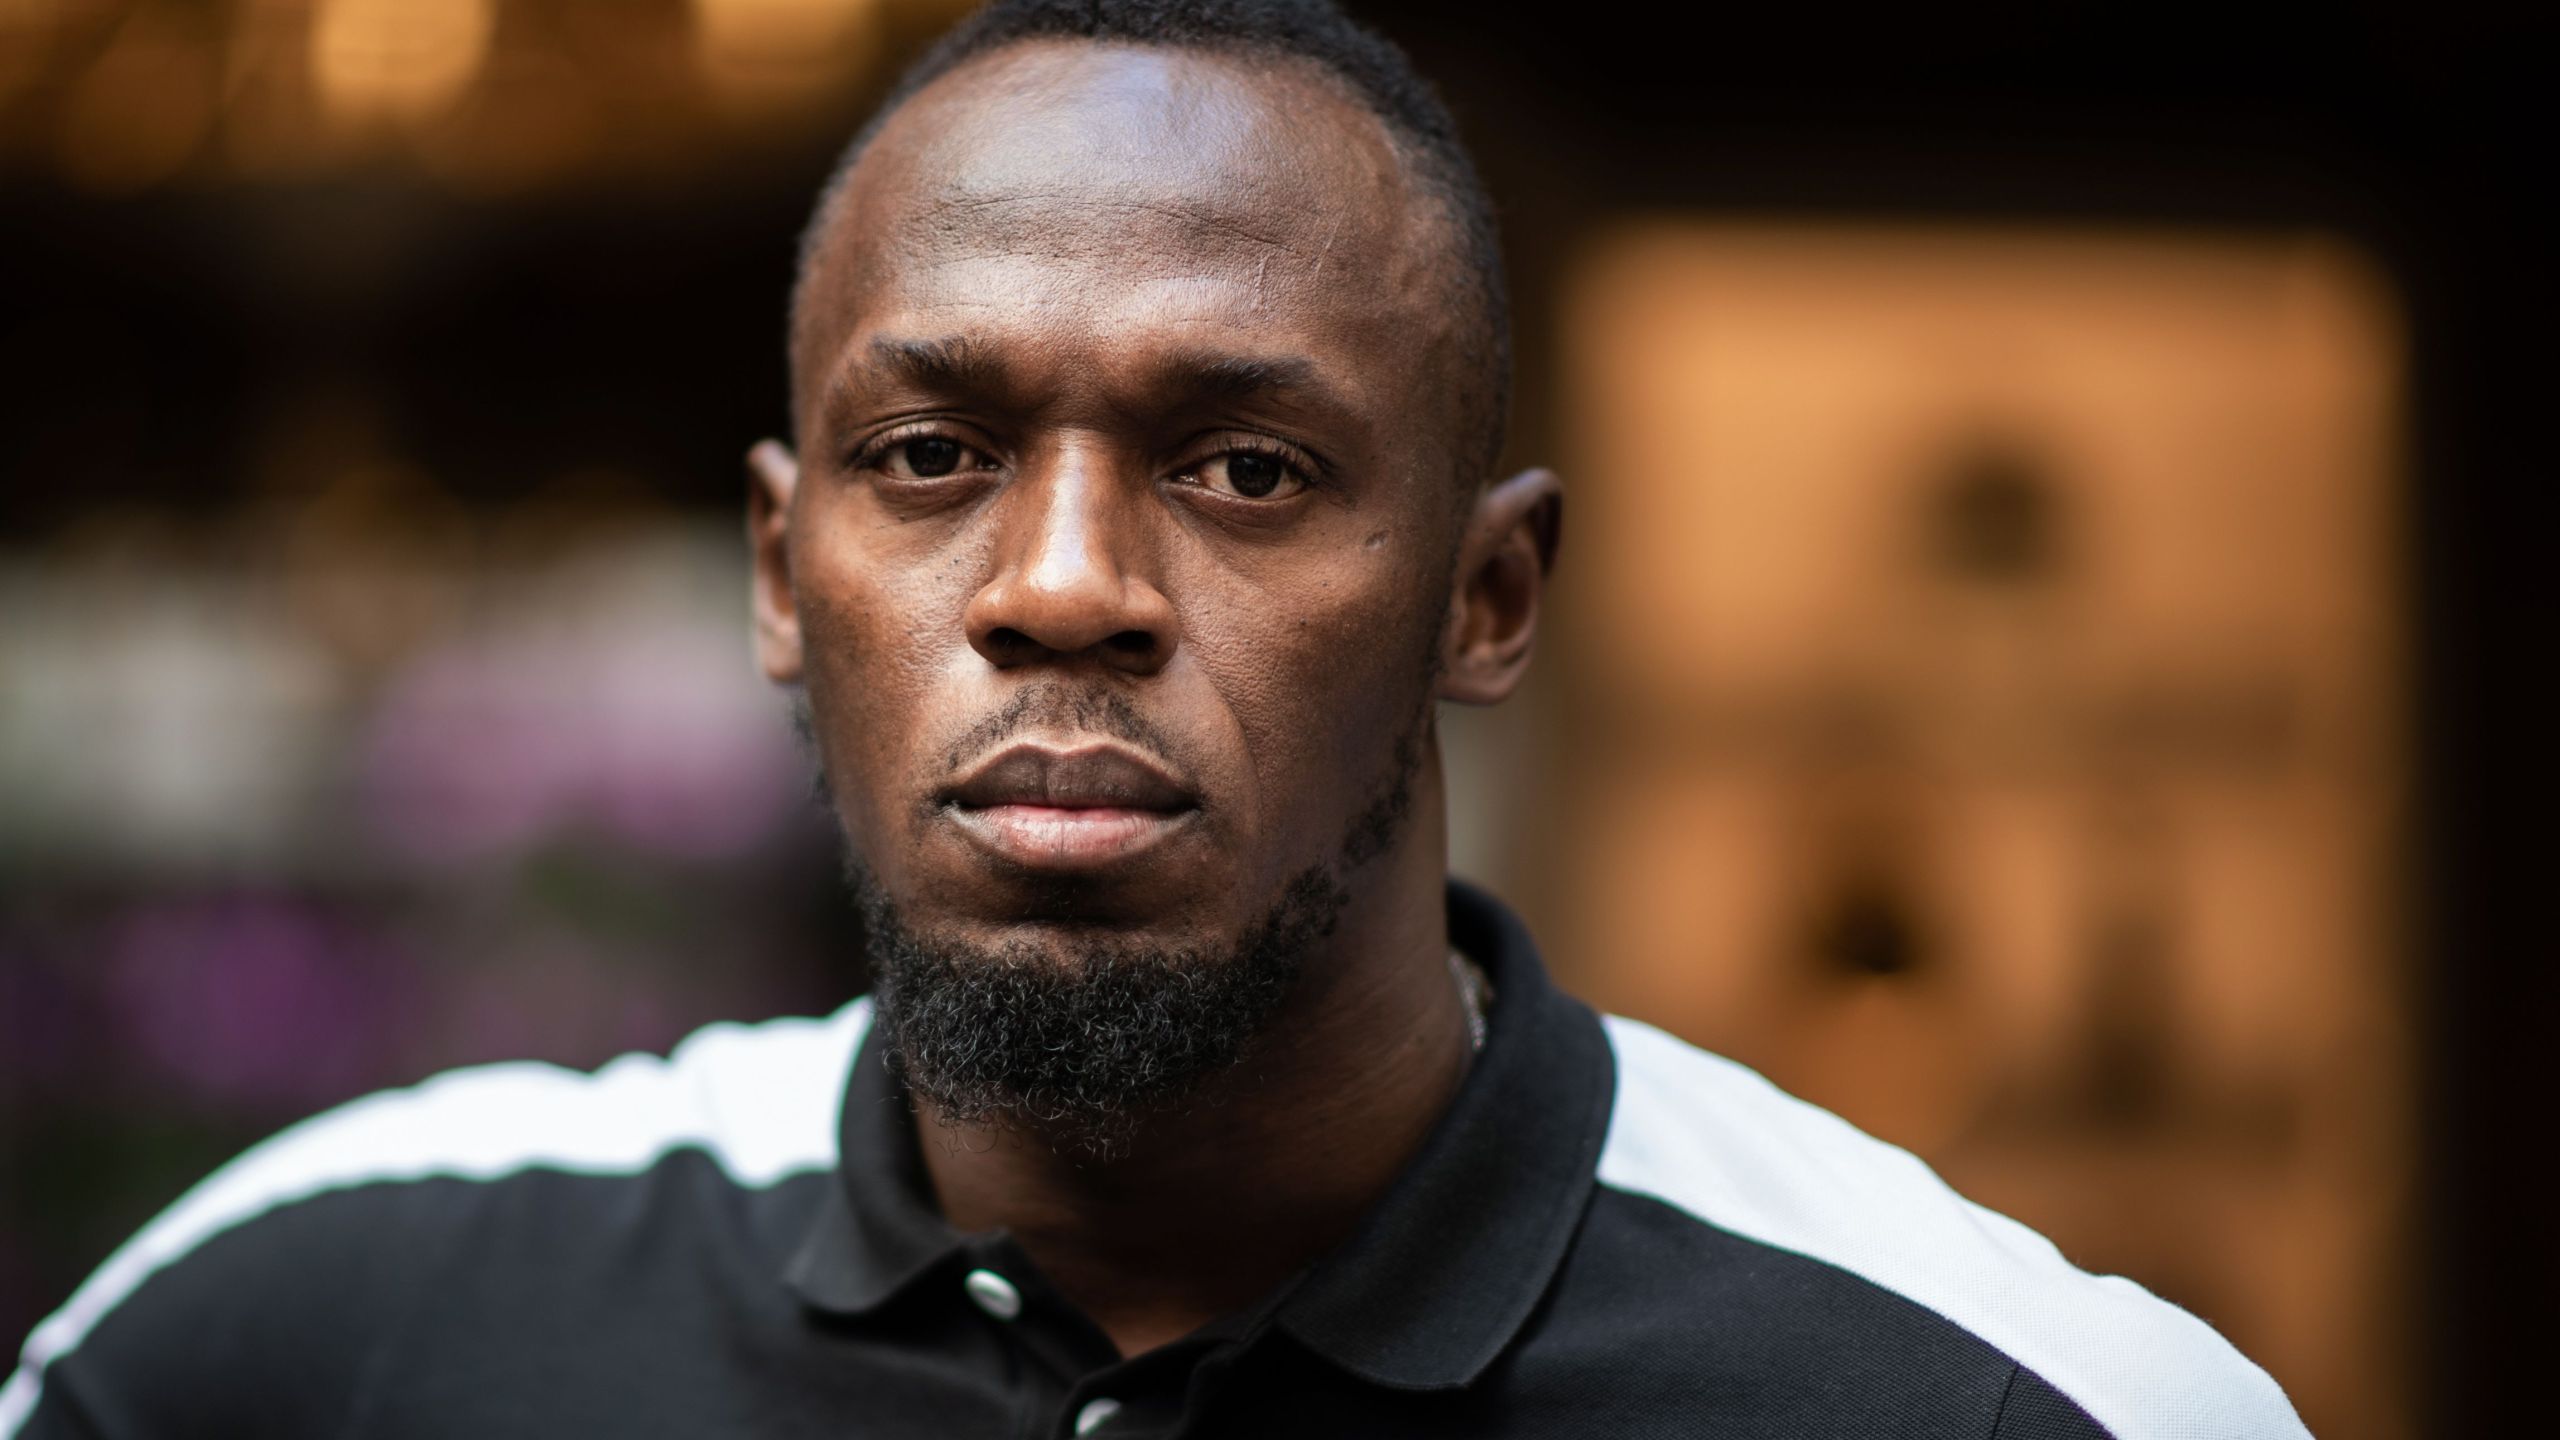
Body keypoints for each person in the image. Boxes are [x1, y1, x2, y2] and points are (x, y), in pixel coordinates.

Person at [3, 2, 2310, 1436]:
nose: (1063, 586)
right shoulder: (311, 1335)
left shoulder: (2001, 1408)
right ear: (777, 576)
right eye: (931, 460)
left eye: (1245, 470)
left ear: (1484, 596)